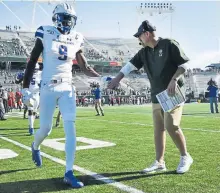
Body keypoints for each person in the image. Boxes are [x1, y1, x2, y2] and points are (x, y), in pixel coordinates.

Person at [22, 3, 100, 188]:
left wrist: (103, 77)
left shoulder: (76, 38)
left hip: (67, 88)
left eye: (70, 19)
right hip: (48, 87)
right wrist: (25, 88)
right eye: (65, 18)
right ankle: (35, 146)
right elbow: (32, 60)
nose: (67, 22)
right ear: (56, 18)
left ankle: (69, 172)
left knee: (71, 129)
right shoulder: (45, 32)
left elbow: (84, 67)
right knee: (46, 130)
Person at [108, 20, 193, 174]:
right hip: (156, 95)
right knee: (158, 129)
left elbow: (184, 65)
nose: (139, 39)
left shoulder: (169, 44)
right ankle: (159, 162)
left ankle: (185, 156)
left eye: (139, 36)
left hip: (173, 92)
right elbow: (129, 66)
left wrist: (174, 80)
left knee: (171, 125)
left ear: (146, 34)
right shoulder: (144, 52)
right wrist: (117, 79)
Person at [16, 64, 42, 135]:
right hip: (28, 95)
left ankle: (31, 125)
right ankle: (31, 127)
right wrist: (18, 78)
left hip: (36, 95)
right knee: (30, 111)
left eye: (35, 70)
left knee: (34, 112)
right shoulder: (26, 73)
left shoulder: (40, 74)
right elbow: (17, 81)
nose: (34, 71)